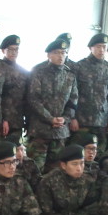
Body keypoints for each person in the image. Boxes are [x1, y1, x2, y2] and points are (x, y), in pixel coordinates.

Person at [36, 145, 108, 215]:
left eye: (82, 163)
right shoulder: (48, 181)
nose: (79, 168)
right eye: (74, 164)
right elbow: (46, 212)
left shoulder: (87, 180)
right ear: (63, 165)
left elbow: (91, 207)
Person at [26, 39, 78, 172]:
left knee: (56, 172)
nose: (61, 56)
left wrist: (65, 119)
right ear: (49, 55)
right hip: (40, 130)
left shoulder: (69, 75)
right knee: (35, 170)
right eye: (57, 53)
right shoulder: (38, 72)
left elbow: (73, 101)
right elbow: (33, 99)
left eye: (63, 52)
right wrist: (50, 119)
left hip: (60, 132)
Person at [73, 33, 108, 155]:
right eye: (98, 46)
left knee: (99, 153)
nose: (101, 50)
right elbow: (72, 95)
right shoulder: (79, 67)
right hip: (82, 119)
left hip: (102, 120)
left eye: (104, 47)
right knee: (79, 153)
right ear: (91, 48)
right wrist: (73, 118)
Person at [0, 34, 29, 145]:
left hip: (17, 121)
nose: (14, 52)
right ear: (3, 50)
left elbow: (27, 99)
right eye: (10, 49)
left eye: (16, 50)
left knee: (15, 151)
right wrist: (4, 119)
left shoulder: (24, 72)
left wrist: (27, 122)